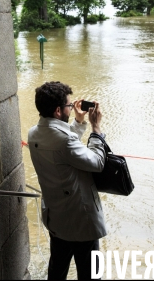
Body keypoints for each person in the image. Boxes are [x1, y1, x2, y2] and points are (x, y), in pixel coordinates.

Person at [27, 81, 106, 280]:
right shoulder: (65, 140)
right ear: (57, 111)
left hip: (57, 218)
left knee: (57, 271)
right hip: (81, 221)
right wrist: (96, 129)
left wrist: (78, 123)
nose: (71, 109)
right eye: (69, 106)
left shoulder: (33, 134)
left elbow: (63, 147)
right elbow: (97, 162)